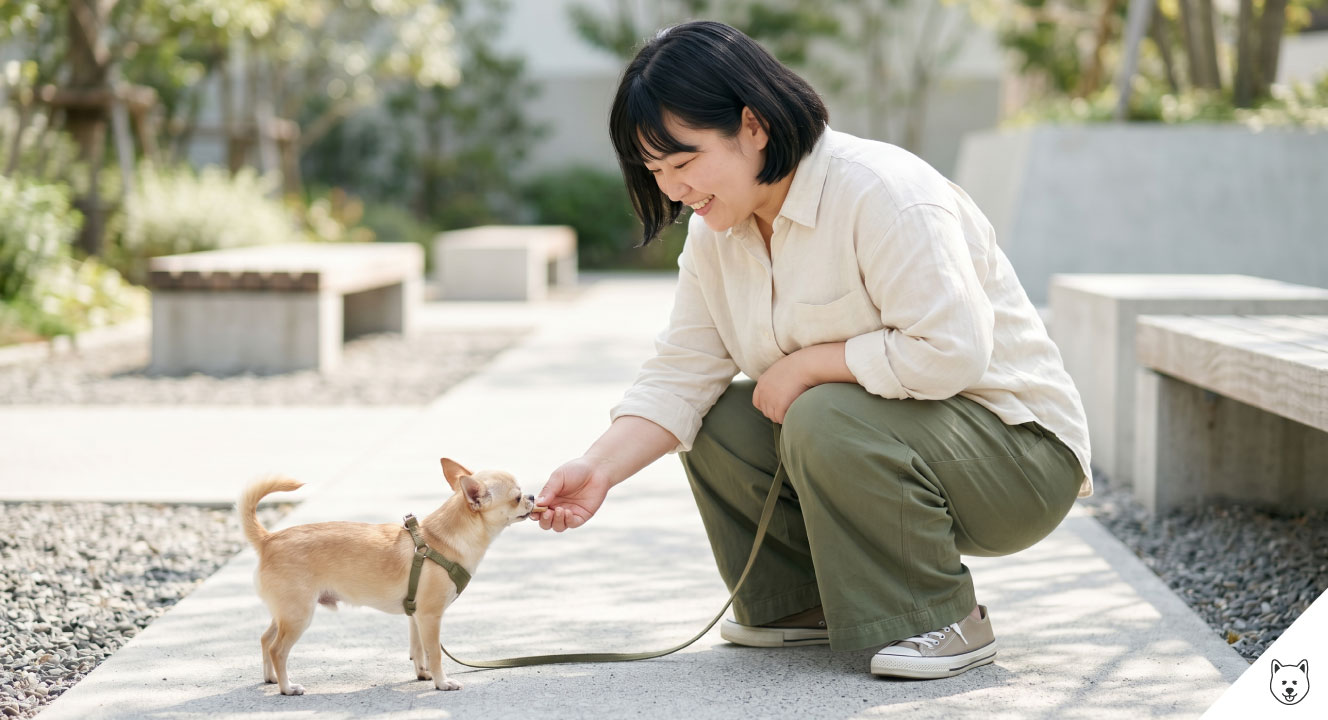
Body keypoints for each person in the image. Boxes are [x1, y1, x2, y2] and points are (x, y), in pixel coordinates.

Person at [530, 19, 1091, 681]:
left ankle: (941, 617)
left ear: (753, 125)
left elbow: (952, 352)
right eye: (656, 172)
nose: (673, 190)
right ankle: (798, 607)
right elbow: (681, 376)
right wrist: (598, 469)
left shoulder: (883, 192)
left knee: (821, 409)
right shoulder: (718, 235)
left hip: (1017, 461)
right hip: (905, 449)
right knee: (717, 418)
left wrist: (809, 363)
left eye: (684, 163)